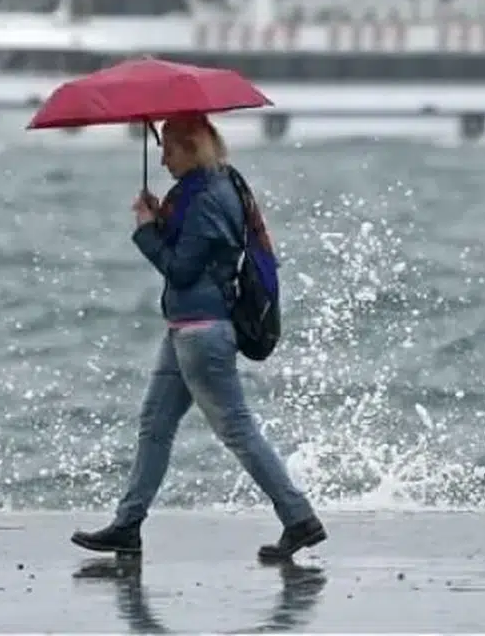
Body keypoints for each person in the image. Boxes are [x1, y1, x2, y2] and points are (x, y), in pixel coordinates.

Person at [71, 113, 326, 562]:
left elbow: (183, 270)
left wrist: (147, 231)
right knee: (155, 426)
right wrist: (161, 219)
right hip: (185, 330)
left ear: (192, 148)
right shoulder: (208, 188)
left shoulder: (207, 198)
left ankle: (299, 518)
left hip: (202, 332)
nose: (163, 159)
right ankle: (128, 526)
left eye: (169, 150)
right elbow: (197, 252)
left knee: (237, 429)